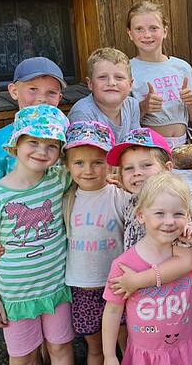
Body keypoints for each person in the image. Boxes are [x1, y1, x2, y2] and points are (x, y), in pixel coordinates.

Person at [0, 105, 74, 365]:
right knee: (23, 357)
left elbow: (92, 172)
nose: (42, 151)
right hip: (15, 296)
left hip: (56, 288)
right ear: (16, 143)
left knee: (61, 349)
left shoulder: (59, 179)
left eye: (52, 145)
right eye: (33, 142)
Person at [101, 172, 192, 365]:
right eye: (159, 213)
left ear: (188, 217)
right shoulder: (124, 265)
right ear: (141, 216)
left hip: (185, 348)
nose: (169, 221)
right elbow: (113, 311)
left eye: (178, 214)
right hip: (146, 355)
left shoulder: (190, 251)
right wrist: (109, 355)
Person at [62, 121, 130, 364]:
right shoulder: (66, 200)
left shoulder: (120, 196)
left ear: (110, 164)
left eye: (97, 162)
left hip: (119, 287)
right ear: (67, 166)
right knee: (95, 349)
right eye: (79, 163)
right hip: (82, 289)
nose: (88, 170)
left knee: (125, 343)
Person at [0, 57, 65, 188]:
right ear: (14, 91)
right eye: (33, 89)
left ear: (59, 98)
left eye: (52, 93)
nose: (42, 99)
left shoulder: (67, 136)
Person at [126, 1, 192, 146]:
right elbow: (123, 121)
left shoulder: (181, 67)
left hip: (183, 145)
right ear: (130, 34)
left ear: (165, 31)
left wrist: (191, 102)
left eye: (153, 28)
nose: (147, 35)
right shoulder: (127, 71)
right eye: (139, 29)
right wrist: (143, 107)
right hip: (148, 148)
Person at [68, 47, 141, 142]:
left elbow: (136, 143)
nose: (111, 83)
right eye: (102, 77)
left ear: (130, 85)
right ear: (90, 84)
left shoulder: (132, 105)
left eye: (119, 77)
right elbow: (85, 154)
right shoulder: (83, 113)